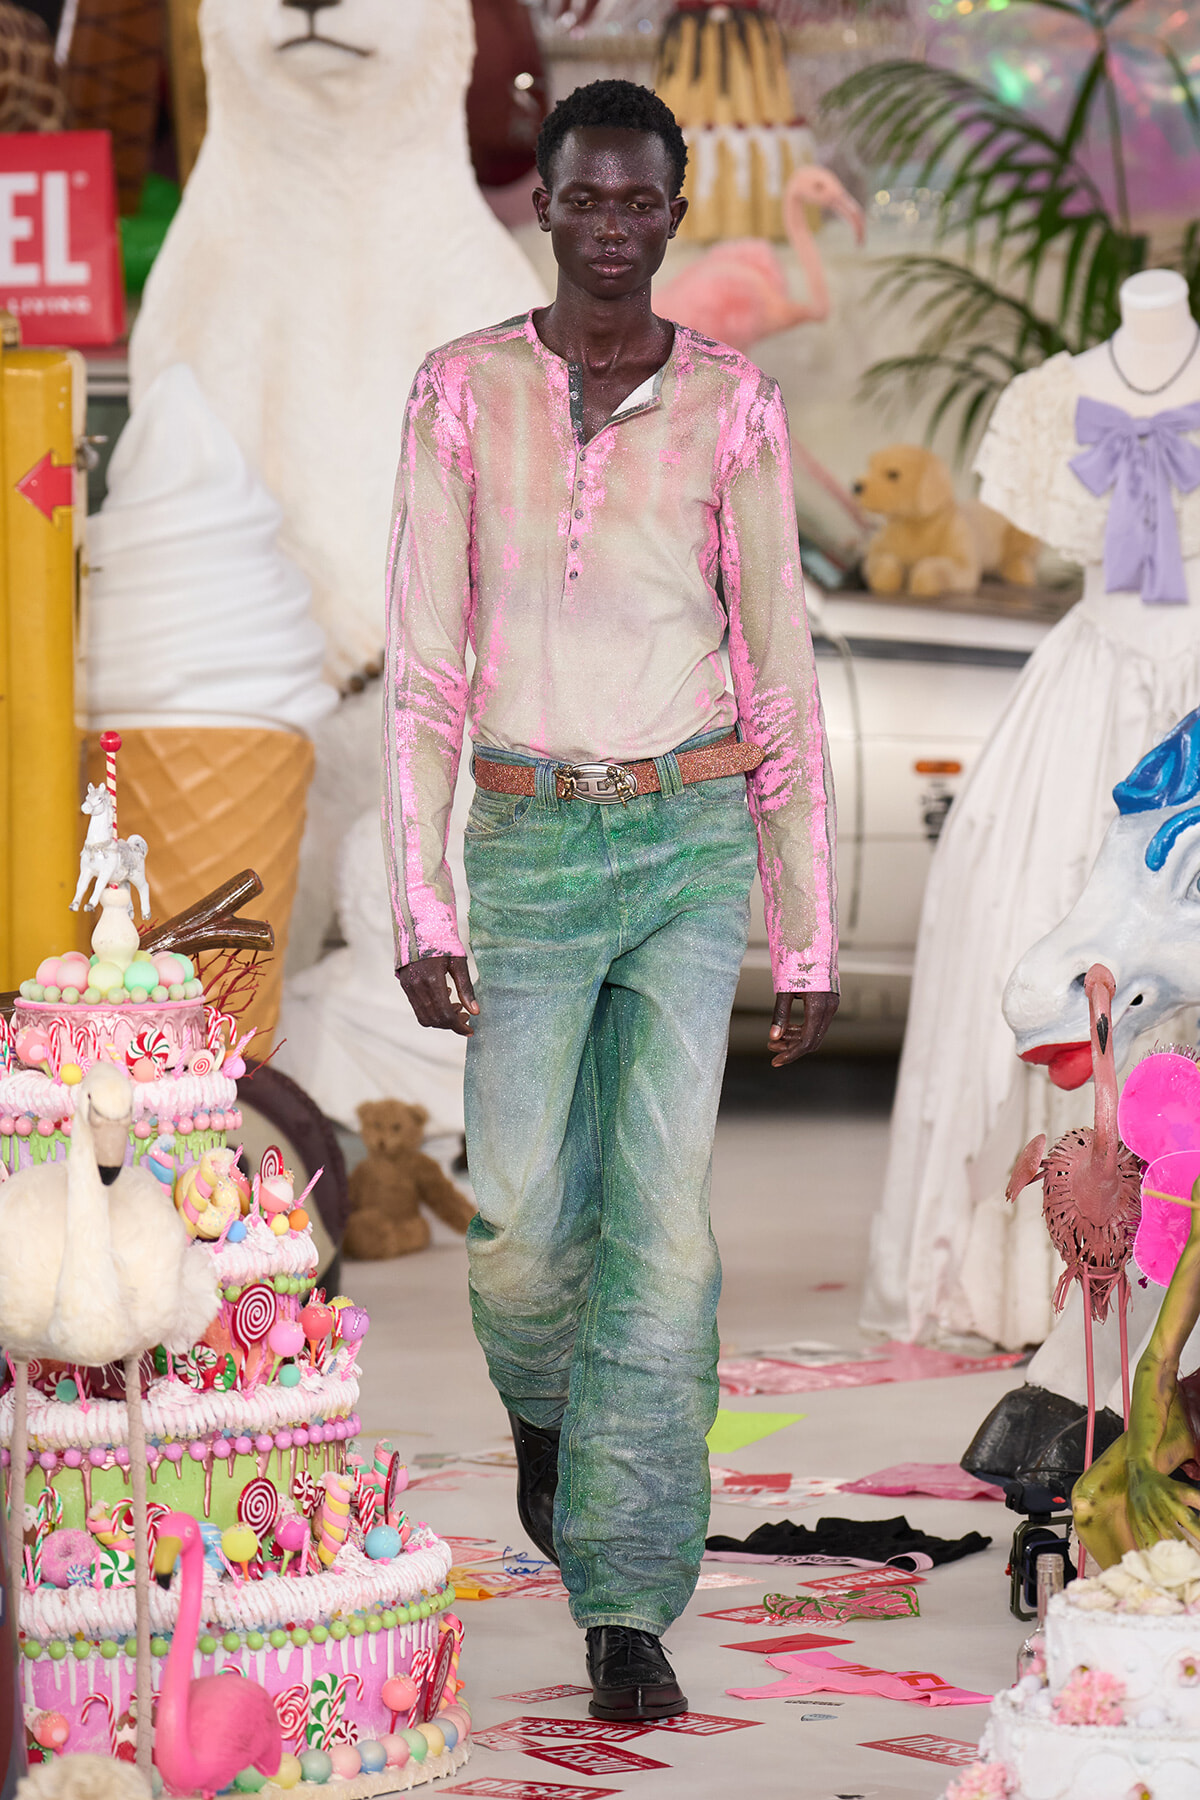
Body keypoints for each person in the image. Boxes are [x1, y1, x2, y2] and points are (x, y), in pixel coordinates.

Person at [383, 78, 838, 1720]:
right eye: (587, 197)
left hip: (687, 844)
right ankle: (549, 1420)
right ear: (548, 205)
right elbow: (425, 666)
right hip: (526, 845)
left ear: (674, 211)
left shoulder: (734, 405)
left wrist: (805, 926)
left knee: (667, 1237)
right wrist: (423, 906)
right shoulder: (460, 392)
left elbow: (777, 666)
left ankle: (628, 1601)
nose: (613, 227)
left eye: (642, 201)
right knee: (516, 1225)